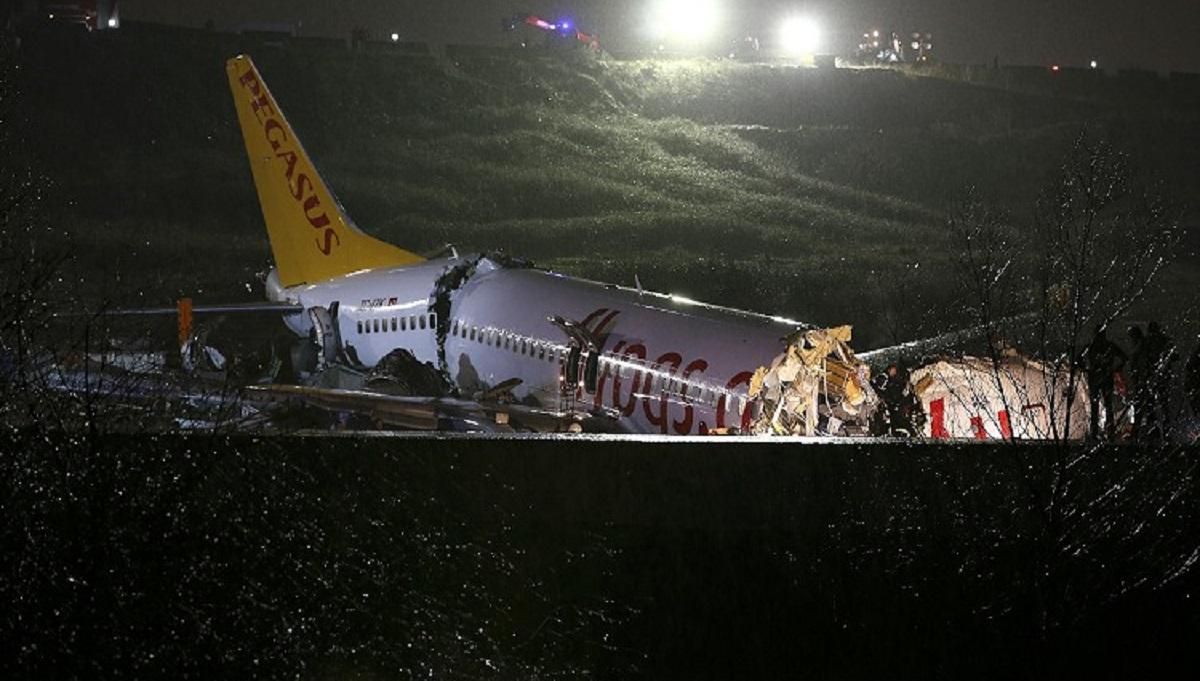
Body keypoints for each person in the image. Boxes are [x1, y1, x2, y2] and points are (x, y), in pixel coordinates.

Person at [1083, 324, 1125, 439]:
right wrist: (1116, 369)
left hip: (1096, 378)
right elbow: (1124, 357)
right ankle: (1108, 431)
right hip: (1105, 377)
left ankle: (1095, 432)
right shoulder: (1109, 346)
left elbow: (1078, 359)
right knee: (1107, 405)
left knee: (1096, 405)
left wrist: (1086, 369)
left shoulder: (1092, 346)